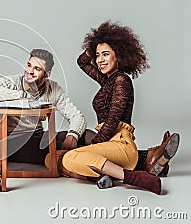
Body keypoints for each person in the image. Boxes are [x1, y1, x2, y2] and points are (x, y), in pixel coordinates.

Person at [0, 49, 179, 176]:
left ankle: (113, 169)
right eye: (29, 66)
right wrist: (25, 98)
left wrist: (73, 134)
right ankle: (145, 160)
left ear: (47, 74)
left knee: (84, 137)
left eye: (38, 69)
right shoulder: (11, 83)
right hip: (14, 142)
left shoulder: (53, 88)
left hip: (38, 136)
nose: (30, 72)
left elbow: (77, 116)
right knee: (62, 149)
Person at [59, 21, 179, 195]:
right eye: (98, 55)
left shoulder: (122, 81)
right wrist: (98, 41)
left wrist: (90, 147)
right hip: (109, 142)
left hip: (120, 144)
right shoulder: (107, 80)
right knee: (57, 157)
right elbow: (82, 62)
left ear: (119, 56)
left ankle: (135, 177)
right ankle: (110, 173)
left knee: (71, 157)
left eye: (106, 54)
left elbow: (112, 121)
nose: (100, 60)